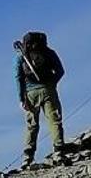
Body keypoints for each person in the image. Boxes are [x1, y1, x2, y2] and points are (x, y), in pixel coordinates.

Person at [14, 31, 66, 164]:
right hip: (48, 90)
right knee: (54, 120)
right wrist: (52, 84)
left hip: (30, 94)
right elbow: (60, 70)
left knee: (32, 125)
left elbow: (18, 77)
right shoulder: (49, 52)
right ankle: (59, 151)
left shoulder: (21, 56)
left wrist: (21, 98)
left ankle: (27, 157)